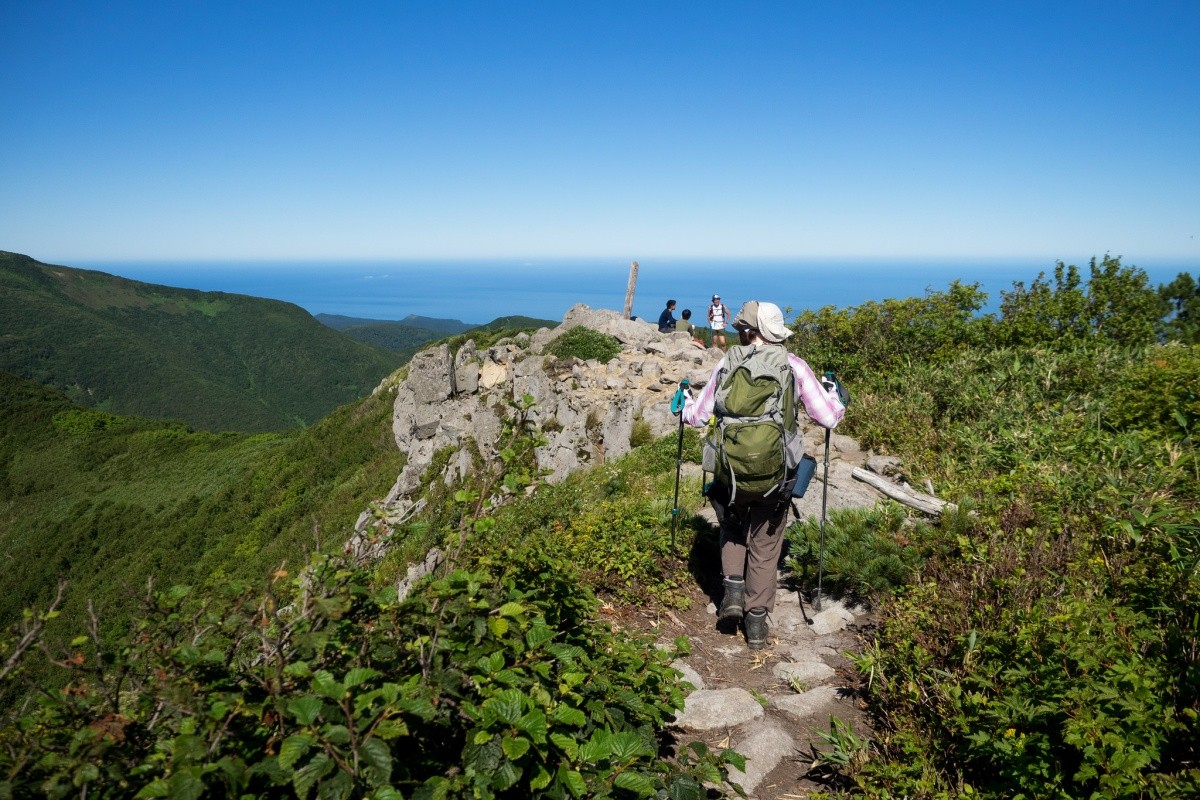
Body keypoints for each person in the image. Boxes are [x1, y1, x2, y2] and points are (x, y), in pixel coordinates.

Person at [680, 301, 845, 650]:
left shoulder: (727, 362)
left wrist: (684, 401)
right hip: (774, 476)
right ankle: (756, 624)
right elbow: (829, 418)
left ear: (745, 331)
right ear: (774, 333)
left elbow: (696, 416)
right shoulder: (793, 365)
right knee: (766, 544)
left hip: (732, 474)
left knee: (732, 528)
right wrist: (836, 395)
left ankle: (732, 597)